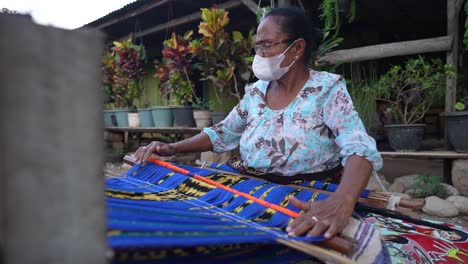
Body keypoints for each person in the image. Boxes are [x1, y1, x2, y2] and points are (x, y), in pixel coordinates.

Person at [134, 7, 382, 241]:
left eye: (267, 45)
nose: (259, 54)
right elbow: (224, 131)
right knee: (179, 210)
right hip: (250, 187)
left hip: (304, 193)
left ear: (297, 48)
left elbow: (357, 143)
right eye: (257, 46)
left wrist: (343, 199)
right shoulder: (255, 92)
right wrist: (174, 148)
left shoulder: (326, 89)